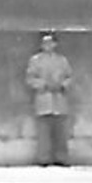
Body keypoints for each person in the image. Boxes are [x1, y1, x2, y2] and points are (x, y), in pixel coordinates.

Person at [24, 32, 73, 167]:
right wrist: (43, 85)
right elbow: (30, 78)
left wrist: (62, 85)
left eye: (50, 43)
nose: (48, 46)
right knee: (43, 131)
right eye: (45, 43)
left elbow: (70, 77)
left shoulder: (62, 60)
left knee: (60, 132)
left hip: (59, 99)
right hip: (43, 98)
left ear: (55, 44)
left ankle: (61, 158)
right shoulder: (35, 61)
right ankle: (43, 159)